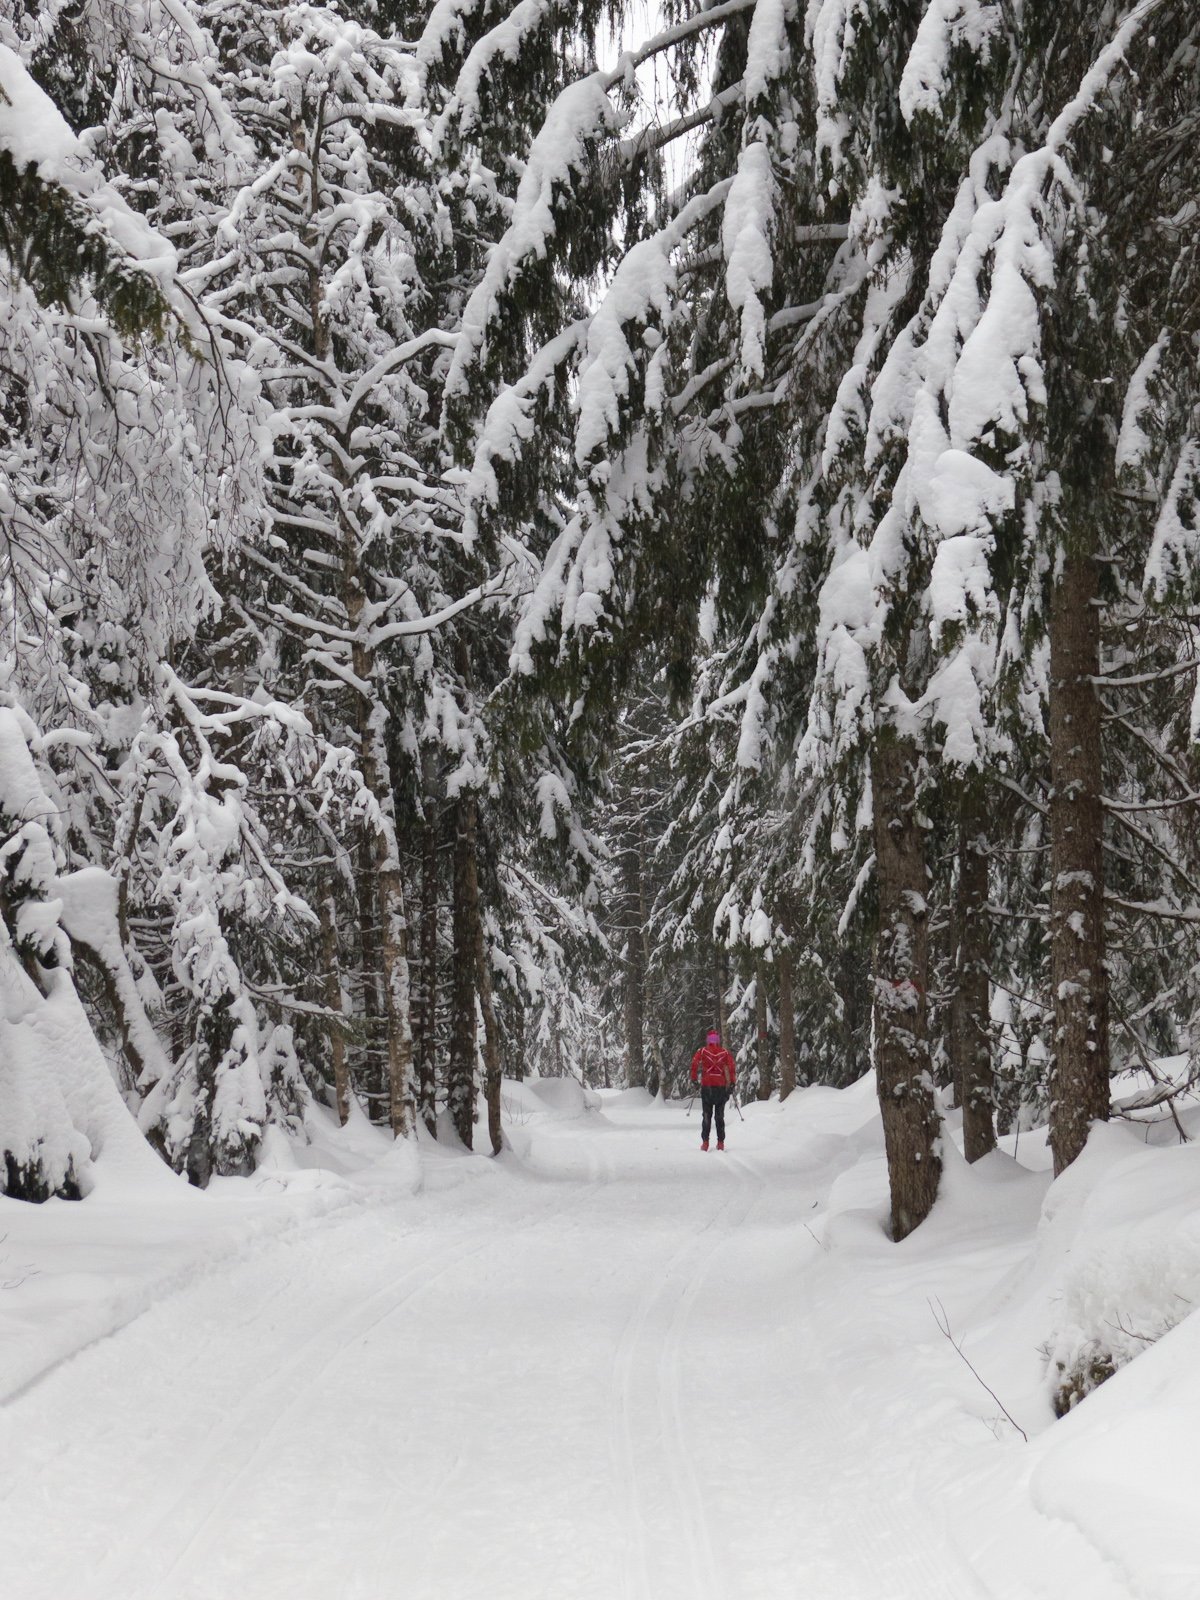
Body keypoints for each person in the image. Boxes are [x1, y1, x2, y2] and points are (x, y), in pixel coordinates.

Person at [690, 1028, 736, 1151]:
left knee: (706, 1116)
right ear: (718, 1040)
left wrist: (694, 1080)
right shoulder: (724, 1053)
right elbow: (731, 1068)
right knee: (719, 1116)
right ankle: (720, 1142)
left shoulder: (703, 1051)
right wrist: (732, 1083)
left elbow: (694, 1064)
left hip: (707, 1087)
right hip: (720, 1088)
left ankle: (705, 1143)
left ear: (708, 1040)